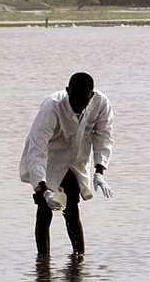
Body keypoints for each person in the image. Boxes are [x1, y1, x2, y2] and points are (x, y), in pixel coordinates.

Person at [20, 72, 114, 255]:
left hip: (75, 159)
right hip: (49, 157)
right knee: (44, 208)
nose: (78, 105)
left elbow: (104, 137)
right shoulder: (51, 108)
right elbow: (37, 150)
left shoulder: (101, 104)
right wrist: (44, 188)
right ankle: (43, 258)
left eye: (83, 101)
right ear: (67, 91)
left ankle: (78, 259)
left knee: (72, 208)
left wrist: (100, 171)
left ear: (91, 96)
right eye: (74, 100)